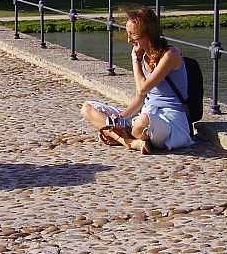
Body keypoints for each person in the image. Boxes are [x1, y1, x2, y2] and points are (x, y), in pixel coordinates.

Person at [80, 8, 194, 154]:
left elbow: (143, 89)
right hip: (145, 112)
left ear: (148, 33)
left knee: (141, 123)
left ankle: (119, 134)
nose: (129, 40)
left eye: (133, 35)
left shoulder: (170, 55)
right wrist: (121, 117)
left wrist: (135, 59)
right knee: (87, 108)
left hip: (170, 120)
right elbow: (140, 97)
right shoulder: (144, 55)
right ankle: (131, 142)